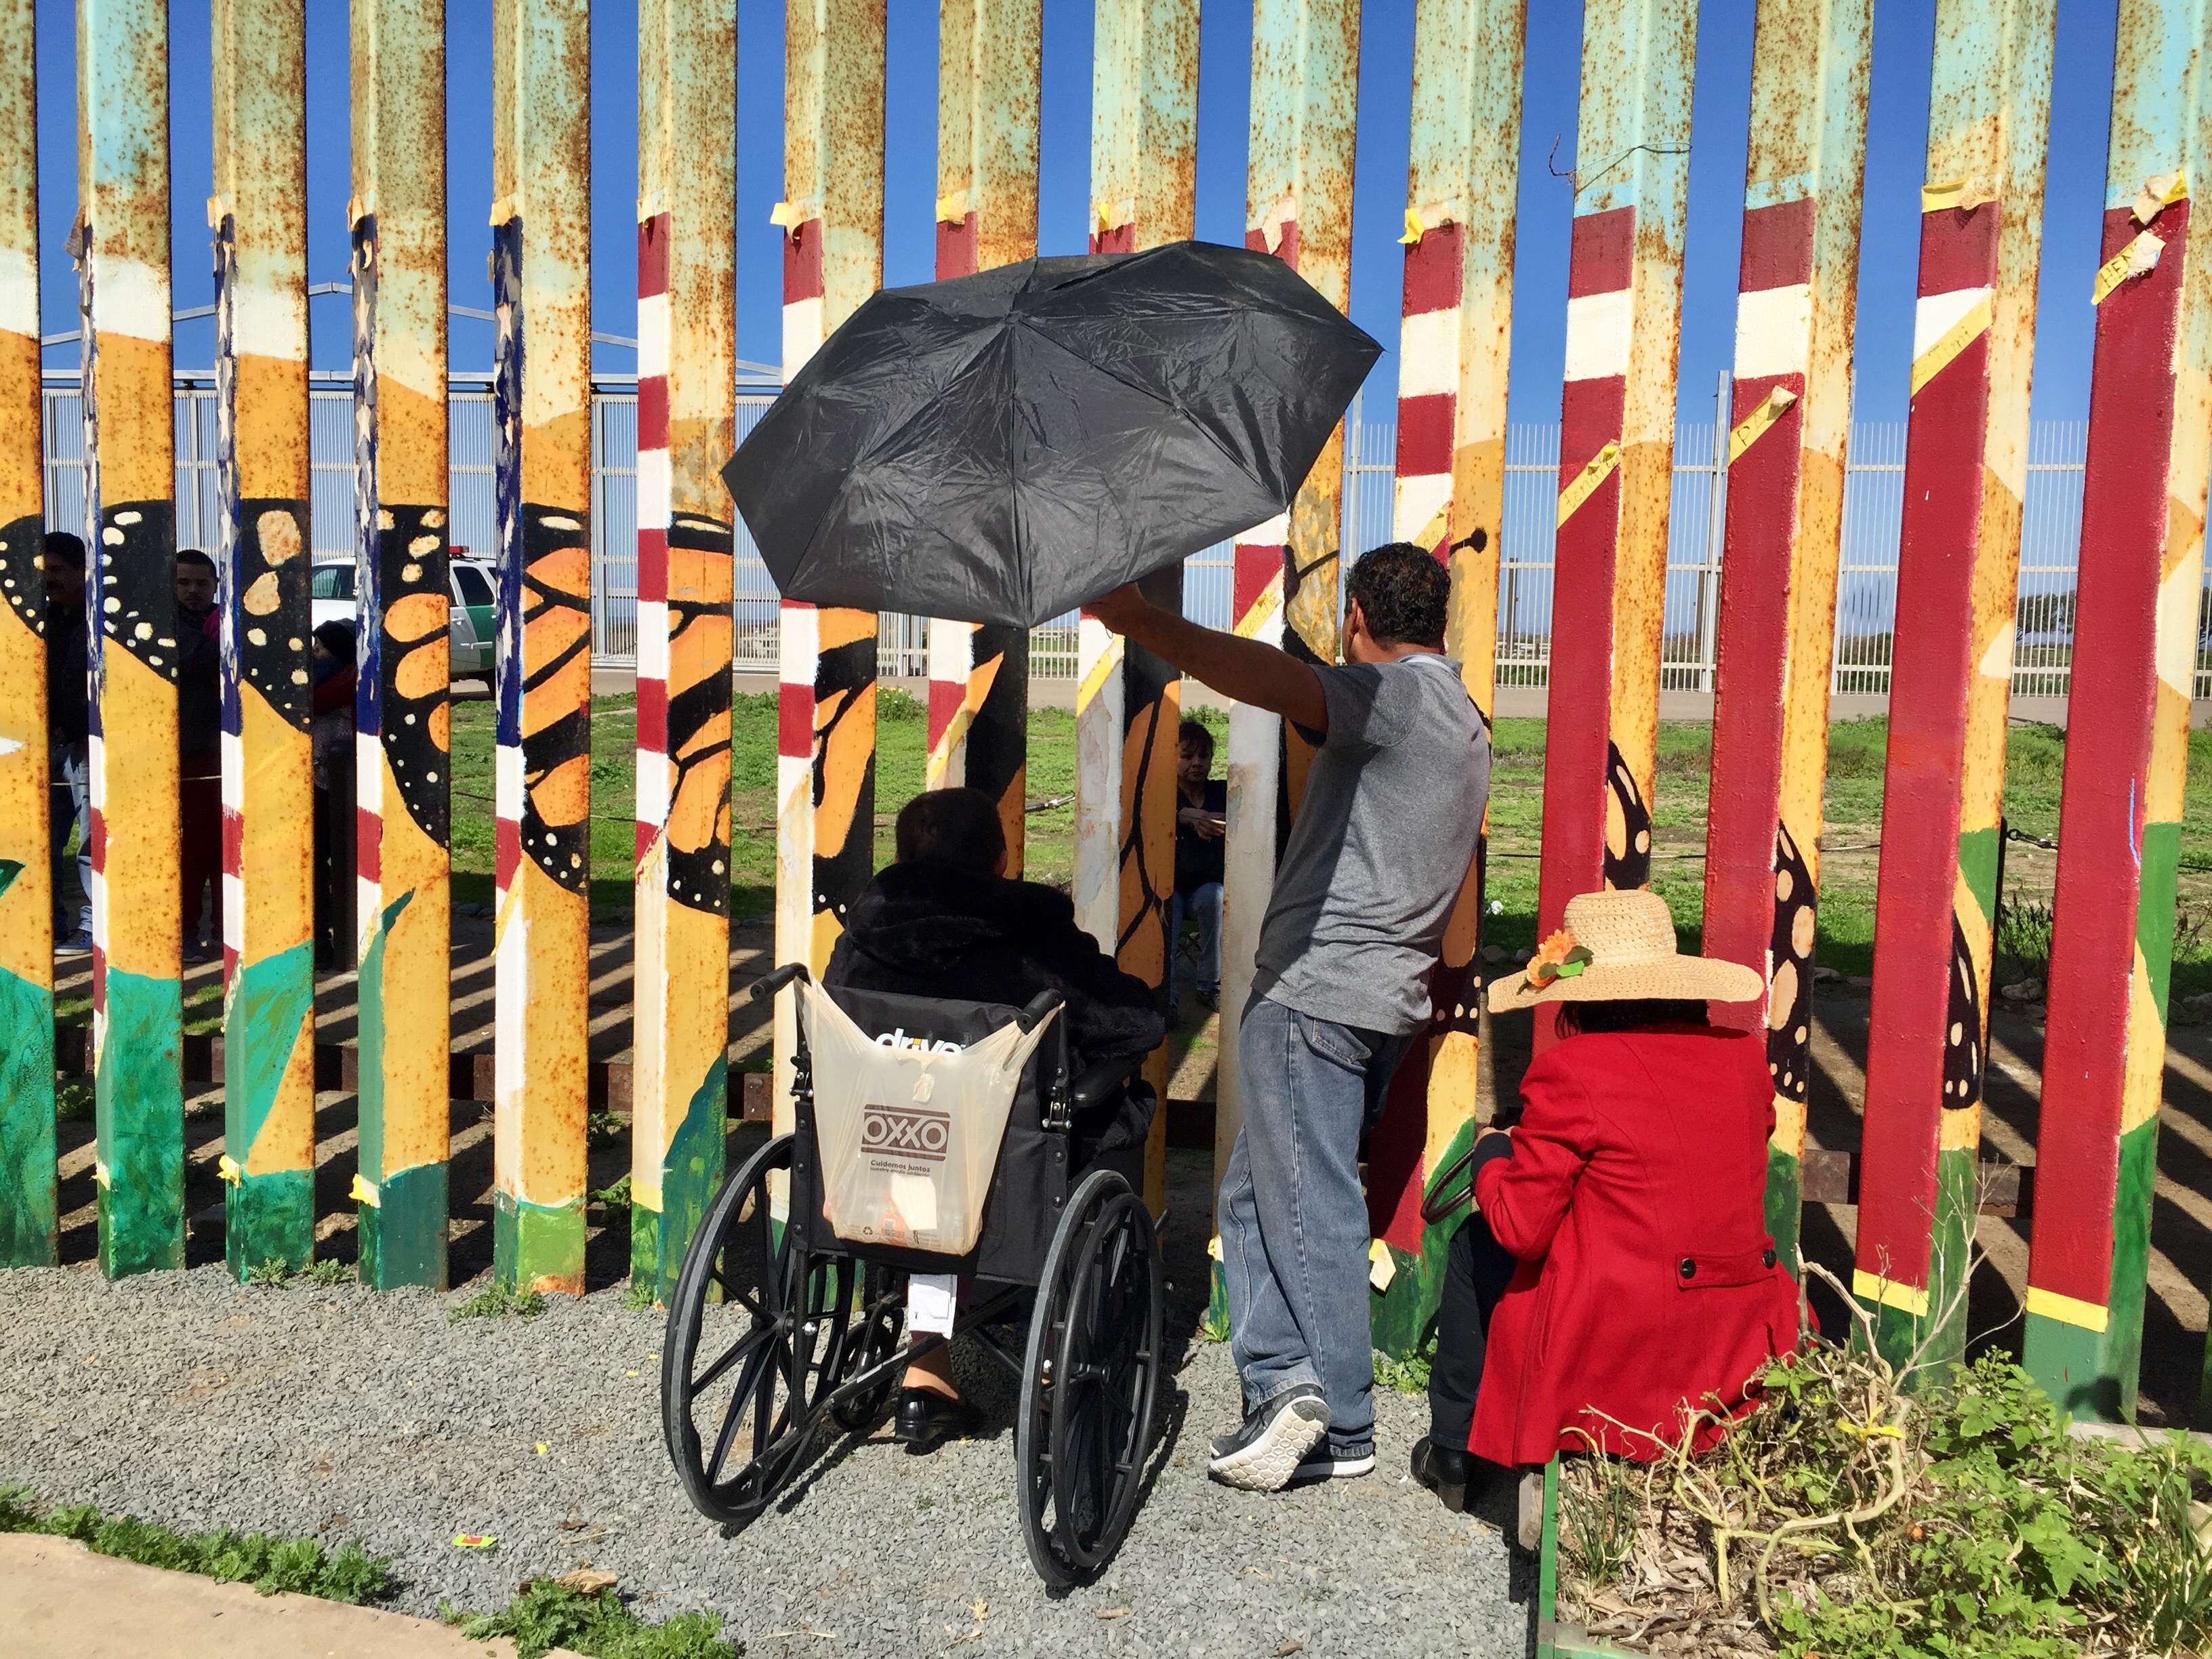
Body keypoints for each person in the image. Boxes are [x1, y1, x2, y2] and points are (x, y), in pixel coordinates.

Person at [1090, 542, 1488, 1492]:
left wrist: (1142, 621)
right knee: (1252, 1193)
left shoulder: (1388, 698)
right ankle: (1289, 1384)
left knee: (1305, 1195)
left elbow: (1276, 681)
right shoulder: (1465, 719)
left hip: (1315, 991)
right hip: (1379, 996)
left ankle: (1331, 1411)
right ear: (1439, 621)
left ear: (1358, 620)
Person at [1410, 889, 1802, 1511]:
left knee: (1475, 1244)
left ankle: (1455, 1450)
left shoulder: (1575, 1070)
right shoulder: (1743, 1058)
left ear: (1583, 1000)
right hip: (1738, 1315)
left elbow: (1521, 1229)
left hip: (1627, 1322)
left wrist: (1492, 1154)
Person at [824, 787, 1166, 1452]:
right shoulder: (1027, 931)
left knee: (939, 1141)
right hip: (1004, 1178)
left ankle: (926, 1370)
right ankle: (1063, 1339)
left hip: (879, 1161)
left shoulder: (865, 930)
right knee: (1108, 1106)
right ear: (1003, 859)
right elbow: (1131, 1023)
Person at [174, 549, 222, 963]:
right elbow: (201, 660)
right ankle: (187, 930)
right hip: (185, 755)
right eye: (183, 582)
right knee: (188, 851)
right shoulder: (165, 625)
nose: (192, 591)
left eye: (201, 583)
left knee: (227, 845)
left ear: (214, 586)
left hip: (225, 753)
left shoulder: (223, 622)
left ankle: (226, 929)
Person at [43, 532, 91, 954]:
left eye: (57, 570)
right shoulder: (43, 619)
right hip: (47, 745)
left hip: (86, 746)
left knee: (92, 843)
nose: (48, 578)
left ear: (82, 570)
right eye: (43, 570)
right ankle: (50, 926)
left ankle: (93, 927)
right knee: (44, 840)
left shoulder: (97, 618)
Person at [1170, 718, 1226, 1019]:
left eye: (1203, 756)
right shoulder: (1163, 795)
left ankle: (1210, 988)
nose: (1197, 763)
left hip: (1206, 888)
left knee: (1216, 897)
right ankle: (1167, 997)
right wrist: (1185, 816)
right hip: (1173, 886)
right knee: (1168, 905)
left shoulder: (1223, 793)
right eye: (1188, 756)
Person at [310, 620, 356, 968]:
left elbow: (318, 700)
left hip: (337, 784)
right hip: (319, 781)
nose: (315, 654)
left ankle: (338, 941)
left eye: (322, 648)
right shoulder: (339, 676)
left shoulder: (343, 680)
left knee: (338, 863)